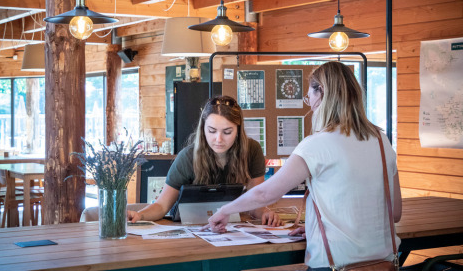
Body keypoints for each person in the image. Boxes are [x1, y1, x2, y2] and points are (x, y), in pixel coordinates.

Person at [206, 62, 402, 270]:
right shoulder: (381, 140)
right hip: (384, 263)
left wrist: (225, 211)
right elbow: (395, 212)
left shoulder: (317, 144)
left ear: (322, 93)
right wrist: (317, 228)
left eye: (310, 98)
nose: (310, 105)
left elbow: (266, 194)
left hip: (335, 265)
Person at [128, 95, 282, 226]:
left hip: (231, 227)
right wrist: (139, 216)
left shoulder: (252, 150)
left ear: (238, 130)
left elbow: (255, 201)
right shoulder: (187, 157)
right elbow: (162, 206)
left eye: (227, 132)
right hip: (191, 229)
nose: (218, 139)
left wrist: (265, 212)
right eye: (212, 131)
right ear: (203, 129)